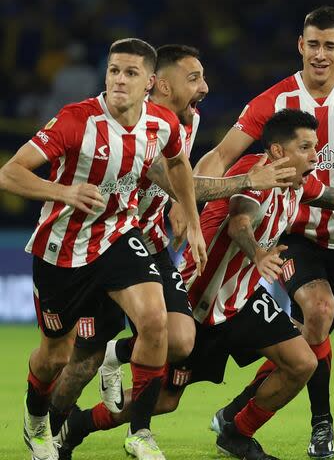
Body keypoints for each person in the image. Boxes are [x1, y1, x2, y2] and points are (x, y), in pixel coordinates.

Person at [58, 108, 334, 460]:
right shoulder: (253, 174)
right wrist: (258, 255)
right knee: (164, 400)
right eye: (306, 147)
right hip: (201, 306)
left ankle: (237, 431)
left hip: (241, 303)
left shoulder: (300, 183)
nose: (315, 156)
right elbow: (239, 222)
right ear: (279, 151)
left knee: (301, 362)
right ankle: (78, 425)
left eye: (315, 147)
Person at [46, 45, 296, 452]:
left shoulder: (188, 120)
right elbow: (176, 180)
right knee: (80, 363)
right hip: (103, 246)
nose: (205, 87)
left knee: (179, 339)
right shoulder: (136, 121)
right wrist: (247, 182)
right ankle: (52, 430)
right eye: (193, 78)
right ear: (160, 84)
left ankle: (136, 427)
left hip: (150, 245)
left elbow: (181, 179)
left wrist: (187, 215)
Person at [191, 5, 334, 459]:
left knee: (310, 337)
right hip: (289, 231)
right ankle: (322, 424)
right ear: (301, 46)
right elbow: (219, 157)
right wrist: (192, 203)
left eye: (330, 46)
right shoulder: (271, 102)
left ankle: (235, 416)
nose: (320, 54)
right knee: (317, 312)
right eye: (313, 45)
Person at [0, 38, 207, 460]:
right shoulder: (75, 121)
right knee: (54, 356)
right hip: (61, 248)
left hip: (117, 235)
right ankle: (36, 419)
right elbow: (9, 174)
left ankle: (140, 432)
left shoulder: (161, 123)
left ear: (149, 82)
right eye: (114, 70)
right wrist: (64, 192)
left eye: (130, 73)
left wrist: (191, 216)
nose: (119, 79)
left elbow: (179, 163)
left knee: (154, 319)